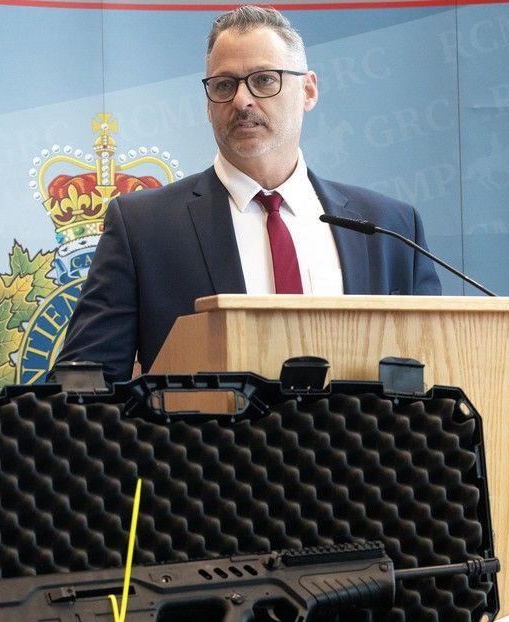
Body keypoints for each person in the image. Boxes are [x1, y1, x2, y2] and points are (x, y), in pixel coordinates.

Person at [54, 5, 441, 383]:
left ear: (308, 90)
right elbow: (85, 384)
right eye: (224, 85)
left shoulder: (388, 228)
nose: (242, 100)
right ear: (208, 105)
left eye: (264, 80)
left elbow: (435, 374)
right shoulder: (143, 226)